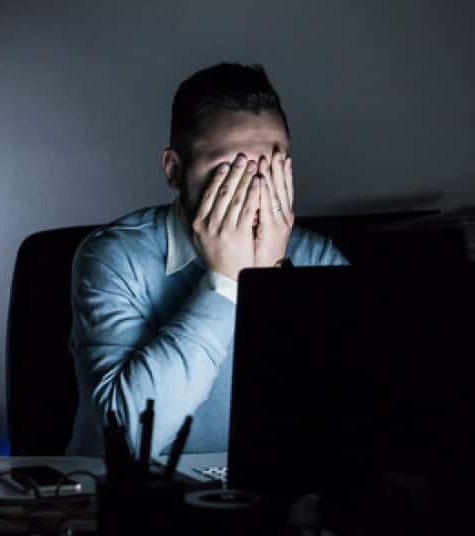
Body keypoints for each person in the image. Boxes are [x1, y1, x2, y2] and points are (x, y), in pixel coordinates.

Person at [66, 62, 348, 457]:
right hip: (135, 504)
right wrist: (228, 281)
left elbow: (340, 418)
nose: (253, 189)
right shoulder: (115, 257)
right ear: (175, 170)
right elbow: (128, 437)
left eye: (271, 167)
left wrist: (272, 282)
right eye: (229, 170)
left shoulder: (317, 259)